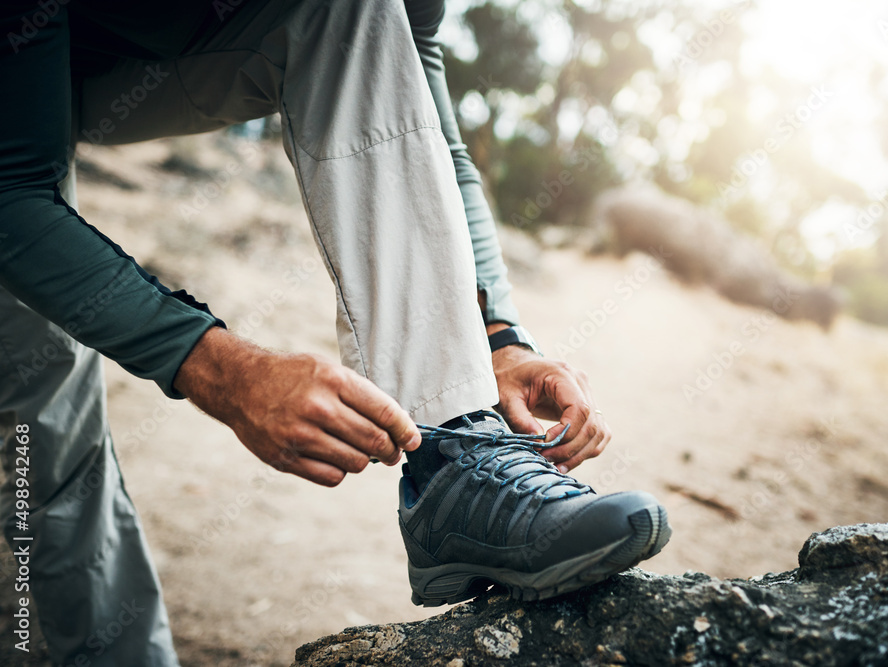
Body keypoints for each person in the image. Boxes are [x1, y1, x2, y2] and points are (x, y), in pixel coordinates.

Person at [0, 0, 671, 663]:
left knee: (346, 11)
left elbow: (423, 122)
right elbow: (11, 189)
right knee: (48, 418)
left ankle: (457, 466)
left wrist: (499, 338)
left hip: (112, 65)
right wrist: (220, 367)